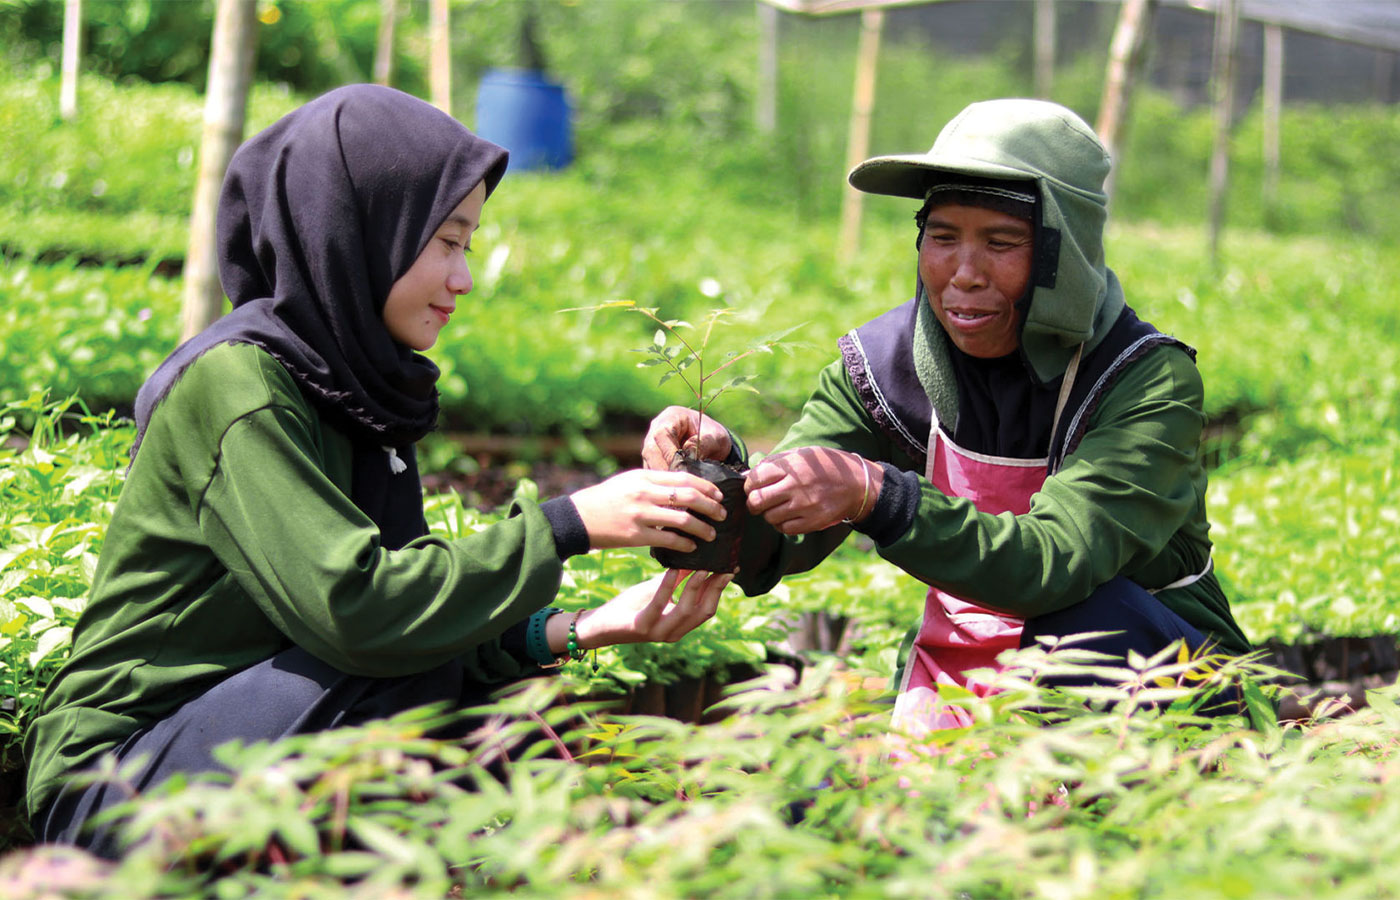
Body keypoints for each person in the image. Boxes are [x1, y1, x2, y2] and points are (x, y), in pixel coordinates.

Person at [26, 84, 734, 857]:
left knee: (488, 708)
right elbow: (359, 615)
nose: (463, 278)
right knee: (418, 699)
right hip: (115, 782)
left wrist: (589, 627)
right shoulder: (238, 387)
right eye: (447, 242)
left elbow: (402, 632)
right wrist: (571, 524)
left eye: (468, 245)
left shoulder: (352, 390)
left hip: (236, 732)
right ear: (361, 231)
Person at [643, 99, 1250, 734]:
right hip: (967, 674)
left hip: (1153, 686)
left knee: (1083, 619)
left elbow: (1055, 563)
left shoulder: (1143, 380)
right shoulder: (883, 369)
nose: (962, 275)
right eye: (942, 237)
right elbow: (781, 532)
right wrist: (720, 482)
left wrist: (879, 495)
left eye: (1001, 243)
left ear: (1060, 256)